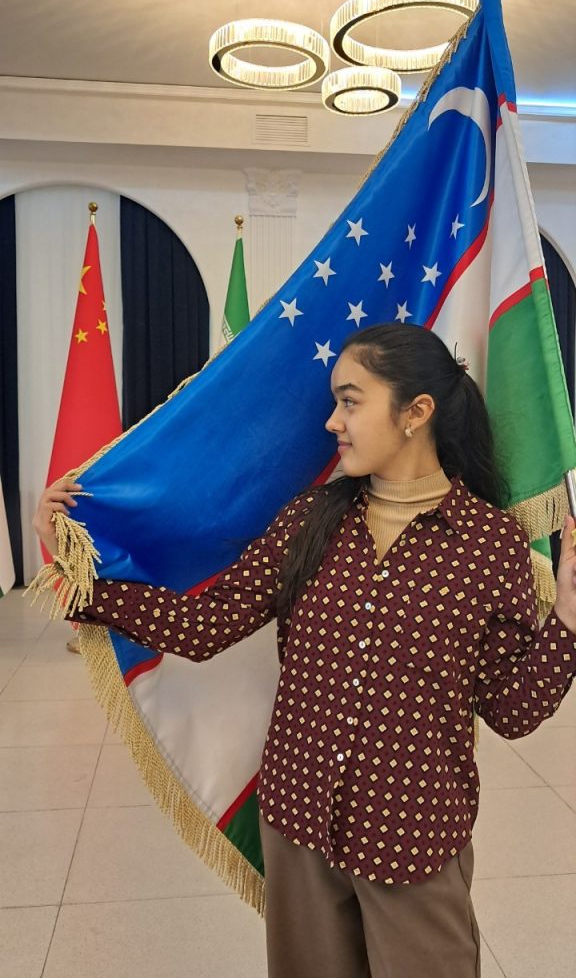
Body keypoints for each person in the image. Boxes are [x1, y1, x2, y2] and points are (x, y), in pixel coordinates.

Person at [33, 323, 576, 978]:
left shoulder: (490, 546)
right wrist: (79, 567)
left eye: (350, 400)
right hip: (300, 822)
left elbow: (512, 709)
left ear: (416, 412)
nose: (331, 421)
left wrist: (568, 619)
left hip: (414, 834)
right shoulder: (310, 521)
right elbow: (205, 624)